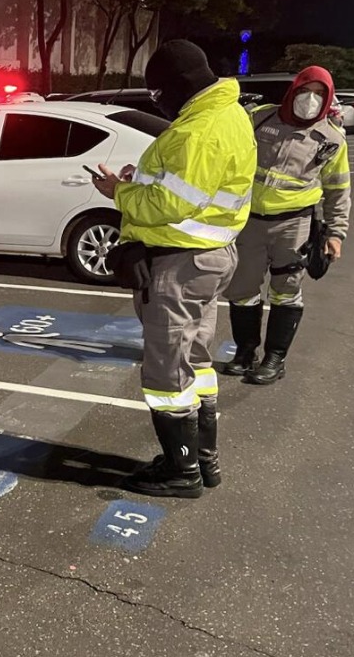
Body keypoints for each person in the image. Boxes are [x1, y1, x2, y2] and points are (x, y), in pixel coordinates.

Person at [93, 40, 256, 498]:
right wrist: (136, 182)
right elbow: (189, 190)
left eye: (159, 93)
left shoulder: (198, 129)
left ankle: (181, 471)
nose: (157, 101)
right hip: (209, 256)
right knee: (197, 360)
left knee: (167, 372)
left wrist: (117, 192)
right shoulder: (229, 113)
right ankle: (203, 459)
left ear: (178, 86)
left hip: (181, 264)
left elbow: (170, 202)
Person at [222, 66, 351, 384]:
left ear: (328, 99)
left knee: (286, 291)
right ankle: (245, 352)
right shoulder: (261, 118)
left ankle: (275, 359)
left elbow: (338, 190)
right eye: (307, 90)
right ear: (294, 89)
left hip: (293, 227)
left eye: (320, 94)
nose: (311, 99)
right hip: (249, 222)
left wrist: (335, 233)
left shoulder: (331, 139)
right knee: (241, 291)